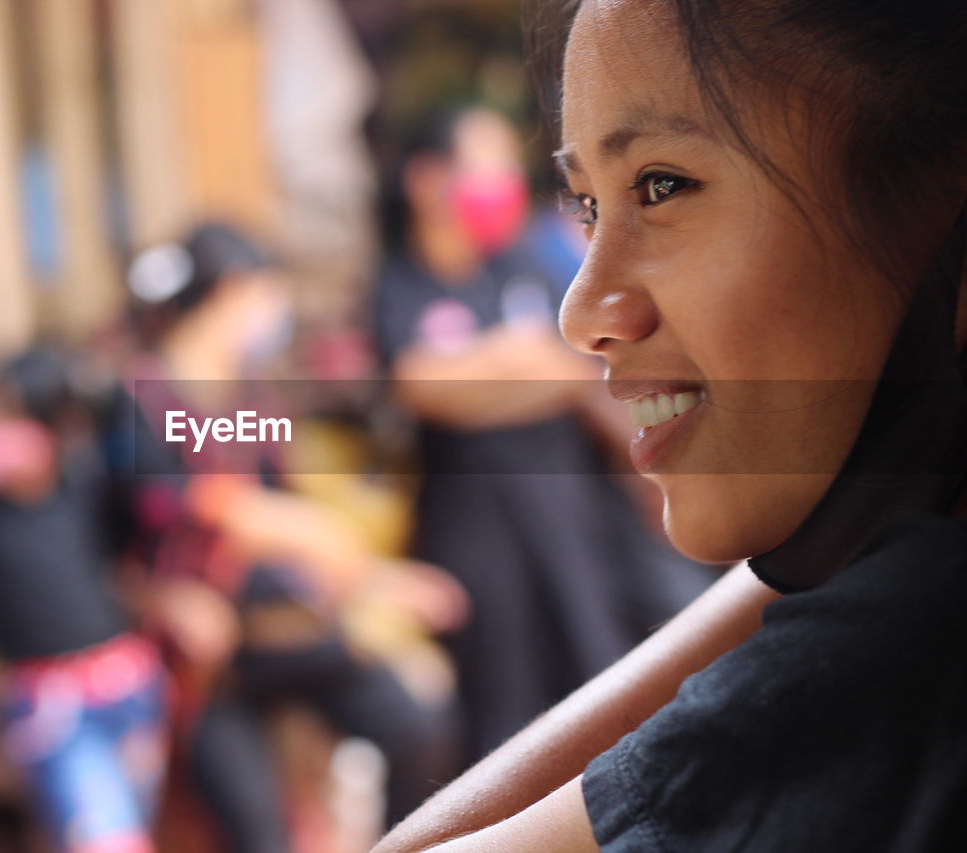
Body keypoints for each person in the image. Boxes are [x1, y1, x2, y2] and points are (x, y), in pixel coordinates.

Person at [373, 0, 967, 850]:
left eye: (662, 186)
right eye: (586, 208)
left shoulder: (902, 639)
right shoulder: (404, 284)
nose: (583, 314)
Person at [102, 223, 464, 852]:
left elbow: (280, 505)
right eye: (267, 294)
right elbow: (207, 510)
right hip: (203, 660)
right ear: (231, 293)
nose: (275, 313)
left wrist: (375, 580)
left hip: (285, 627)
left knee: (416, 724)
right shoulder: (141, 400)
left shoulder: (250, 396)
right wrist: (314, 538)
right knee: (258, 834)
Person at [373, 104, 712, 764]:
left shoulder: (521, 262)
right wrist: (521, 366)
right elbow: (419, 383)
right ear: (426, 179)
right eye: (483, 164)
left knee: (599, 685)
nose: (500, 179)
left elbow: (582, 367)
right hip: (476, 531)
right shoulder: (400, 282)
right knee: (503, 716)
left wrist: (492, 370)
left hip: (571, 517)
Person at [0, 400, 167, 853]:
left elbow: (120, 573)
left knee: (129, 821)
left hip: (129, 687)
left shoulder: (83, 491)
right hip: (54, 709)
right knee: (104, 836)